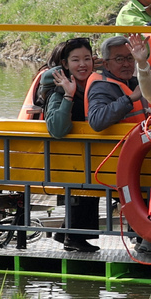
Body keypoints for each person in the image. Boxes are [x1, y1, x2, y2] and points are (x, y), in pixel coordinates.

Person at [36, 37, 99, 252]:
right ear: (65, 64)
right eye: (76, 60)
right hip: (66, 161)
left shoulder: (94, 85)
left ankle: (67, 233)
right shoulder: (58, 90)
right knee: (88, 177)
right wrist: (69, 96)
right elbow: (57, 128)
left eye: (87, 59)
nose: (83, 64)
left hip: (85, 158)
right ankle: (73, 236)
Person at [85, 36, 148, 131]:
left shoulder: (132, 81)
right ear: (106, 65)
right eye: (119, 59)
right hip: (114, 144)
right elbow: (96, 120)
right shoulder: (101, 86)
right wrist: (130, 99)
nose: (126, 64)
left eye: (130, 58)